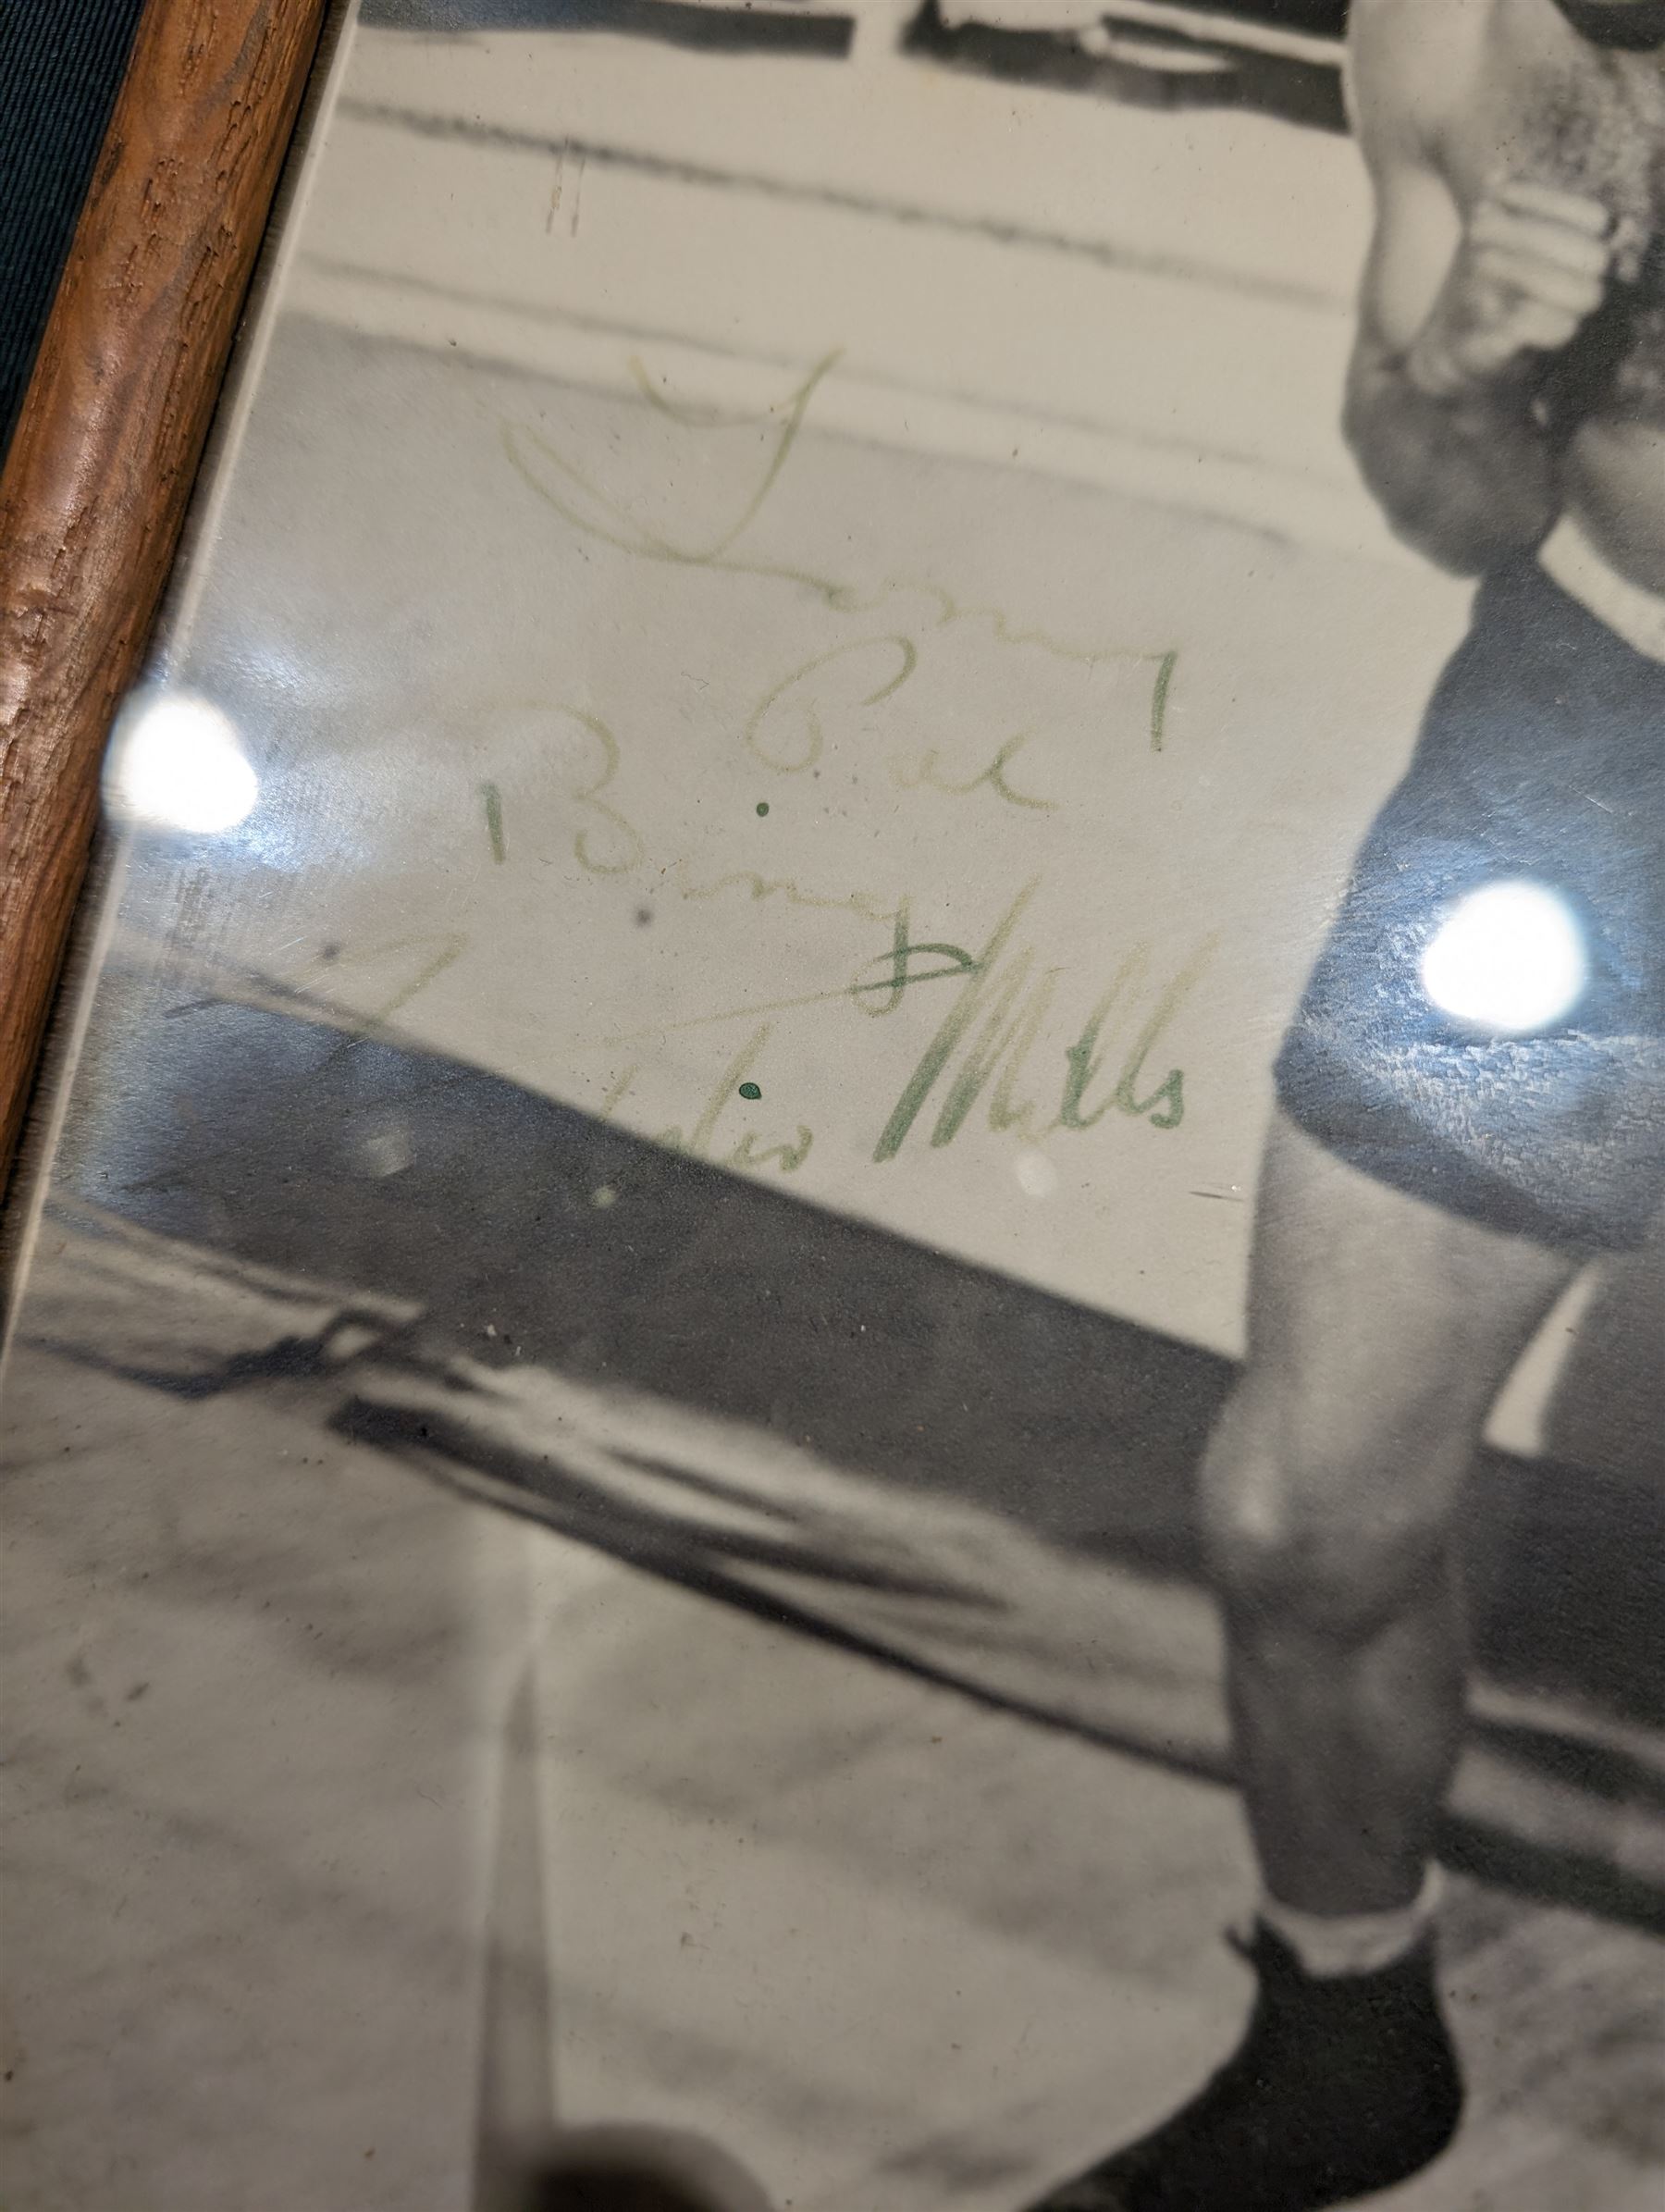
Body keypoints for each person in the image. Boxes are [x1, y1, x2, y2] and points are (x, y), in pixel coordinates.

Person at [1027, 2, 1665, 2206]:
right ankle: (1343, 2029)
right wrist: (1475, 360)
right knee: (1308, 1510)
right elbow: (1432, 496)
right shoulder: (1449, 30)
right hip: (1591, 740)